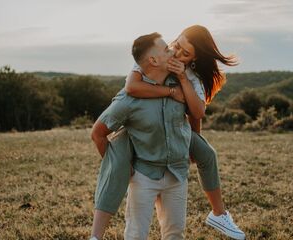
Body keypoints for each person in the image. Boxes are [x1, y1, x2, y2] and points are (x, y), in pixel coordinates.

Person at [90, 26, 245, 240]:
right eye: (175, 46)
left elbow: (196, 113)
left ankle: (219, 214)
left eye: (185, 53)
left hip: (176, 169)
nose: (175, 53)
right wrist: (171, 92)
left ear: (194, 59)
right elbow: (131, 88)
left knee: (207, 154)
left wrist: (192, 140)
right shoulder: (149, 61)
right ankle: (95, 235)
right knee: (119, 157)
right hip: (145, 169)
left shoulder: (190, 77)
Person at [92, 32, 191, 239]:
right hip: (144, 176)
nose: (173, 50)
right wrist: (120, 165)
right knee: (136, 235)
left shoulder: (181, 85)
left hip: (177, 174)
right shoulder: (129, 100)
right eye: (166, 50)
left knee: (175, 234)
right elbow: (98, 134)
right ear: (153, 60)